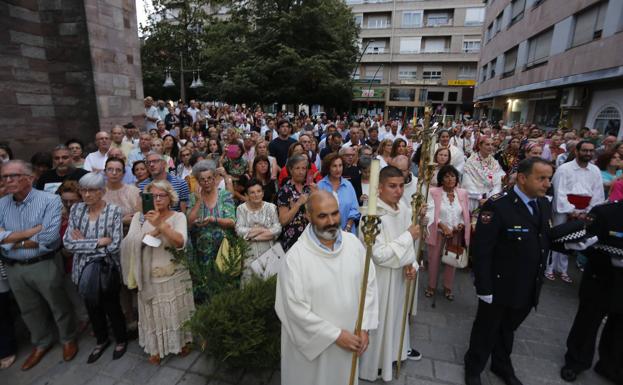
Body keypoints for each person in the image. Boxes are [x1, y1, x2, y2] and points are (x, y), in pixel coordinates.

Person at [464, 158, 554, 385]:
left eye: (549, 178)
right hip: (499, 283)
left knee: (508, 329)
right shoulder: (498, 205)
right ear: (523, 178)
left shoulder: (542, 204)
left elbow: (542, 239)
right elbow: (482, 250)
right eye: (541, 178)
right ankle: (474, 367)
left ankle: (501, 364)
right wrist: (483, 286)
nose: (547, 183)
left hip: (527, 283)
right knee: (486, 329)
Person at [275, 190, 378, 385]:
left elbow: (369, 285)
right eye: (322, 215)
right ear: (308, 216)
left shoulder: (354, 245)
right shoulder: (295, 259)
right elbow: (293, 310)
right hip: (312, 353)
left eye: (335, 213)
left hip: (351, 339)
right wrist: (336, 335)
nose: (331, 221)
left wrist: (365, 327)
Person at [0, 160, 78, 370]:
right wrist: (28, 234)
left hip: (43, 263)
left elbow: (49, 237)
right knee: (28, 309)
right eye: (5, 176)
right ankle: (41, 342)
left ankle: (68, 338)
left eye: (13, 175)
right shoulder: (2, 203)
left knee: (57, 303)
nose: (8, 180)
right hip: (14, 267)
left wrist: (10, 240)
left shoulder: (50, 200)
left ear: (30, 178)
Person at [359, 166, 422, 382]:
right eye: (392, 186)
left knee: (396, 316)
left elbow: (409, 248)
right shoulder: (371, 216)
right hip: (380, 279)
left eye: (401, 186)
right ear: (380, 187)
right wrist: (407, 236)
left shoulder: (403, 208)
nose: (398, 191)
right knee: (379, 321)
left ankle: (394, 354)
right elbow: (379, 255)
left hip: (399, 277)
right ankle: (374, 364)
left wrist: (411, 264)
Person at [121, 180, 194, 364]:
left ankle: (182, 341)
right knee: (153, 314)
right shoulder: (139, 218)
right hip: (148, 276)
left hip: (174, 274)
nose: (157, 199)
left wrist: (160, 224)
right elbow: (129, 244)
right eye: (152, 196)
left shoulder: (178, 217)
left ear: (171, 198)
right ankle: (155, 347)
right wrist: (150, 233)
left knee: (176, 311)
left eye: (162, 195)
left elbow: (180, 243)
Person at [62, 173, 127, 363]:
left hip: (107, 269)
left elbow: (115, 245)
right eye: (83, 190)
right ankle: (101, 340)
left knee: (112, 306)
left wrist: (83, 242)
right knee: (92, 307)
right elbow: (68, 243)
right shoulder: (76, 210)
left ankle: (121, 340)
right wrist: (98, 242)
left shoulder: (114, 211)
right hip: (82, 269)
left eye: (92, 190)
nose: (87, 194)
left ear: (102, 191)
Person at [560, 200, 623, 384]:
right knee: (588, 322)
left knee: (620, 327)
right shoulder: (605, 213)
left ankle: (611, 365)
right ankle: (576, 361)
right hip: (602, 277)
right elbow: (583, 245)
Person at [547, 141, 604, 283]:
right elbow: (559, 191)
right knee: (558, 238)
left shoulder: (595, 170)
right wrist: (571, 210)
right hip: (564, 209)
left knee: (573, 240)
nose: (588, 153)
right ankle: (549, 268)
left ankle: (563, 269)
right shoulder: (564, 169)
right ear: (577, 151)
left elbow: (598, 193)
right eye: (585, 150)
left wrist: (589, 211)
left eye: (591, 151)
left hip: (584, 210)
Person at [424, 165, 470, 300]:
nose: (450, 179)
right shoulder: (433, 192)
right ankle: (431, 286)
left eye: (453, 176)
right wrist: (442, 226)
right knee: (434, 260)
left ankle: (447, 287)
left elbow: (465, 213)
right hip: (438, 232)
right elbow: (430, 212)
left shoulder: (462, 193)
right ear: (441, 179)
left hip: (455, 233)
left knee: (452, 260)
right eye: (447, 176)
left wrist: (460, 225)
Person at [186, 163, 236, 263]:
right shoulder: (193, 197)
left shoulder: (224, 195)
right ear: (198, 182)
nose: (206, 182)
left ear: (214, 179)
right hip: (201, 251)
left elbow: (231, 221)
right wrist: (199, 200)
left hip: (224, 249)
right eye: (202, 179)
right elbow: (189, 223)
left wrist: (214, 220)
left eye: (209, 178)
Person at [235, 179, 281, 283]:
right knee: (250, 288)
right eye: (252, 192)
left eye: (259, 191)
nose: (256, 195)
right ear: (247, 195)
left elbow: (277, 229)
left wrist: (253, 237)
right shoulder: (241, 209)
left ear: (263, 193)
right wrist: (261, 229)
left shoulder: (271, 207)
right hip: (249, 254)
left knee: (269, 286)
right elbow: (239, 231)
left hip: (269, 251)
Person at [277, 155, 316, 252]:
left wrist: (317, 193)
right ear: (290, 170)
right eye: (297, 168)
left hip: (311, 238)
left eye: (304, 168)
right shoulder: (285, 191)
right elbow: (283, 221)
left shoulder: (309, 188)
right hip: (293, 241)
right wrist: (298, 204)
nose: (301, 171)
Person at [317, 153, 360, 234]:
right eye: (334, 166)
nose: (338, 169)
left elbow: (355, 209)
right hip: (326, 233)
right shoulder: (320, 185)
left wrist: (348, 227)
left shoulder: (348, 185)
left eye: (340, 165)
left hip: (348, 233)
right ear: (328, 168)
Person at [462, 136, 505, 212]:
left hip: (490, 200)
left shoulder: (494, 162)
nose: (490, 147)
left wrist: (490, 198)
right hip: (473, 199)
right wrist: (479, 197)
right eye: (487, 144)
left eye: (492, 145)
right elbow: (467, 182)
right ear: (479, 146)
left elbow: (497, 183)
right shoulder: (470, 162)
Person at [103, 157, 141, 227]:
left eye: (118, 170)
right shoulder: (98, 193)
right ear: (105, 172)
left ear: (123, 173)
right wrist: (121, 221)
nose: (114, 173)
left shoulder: (134, 192)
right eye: (110, 169)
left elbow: (140, 218)